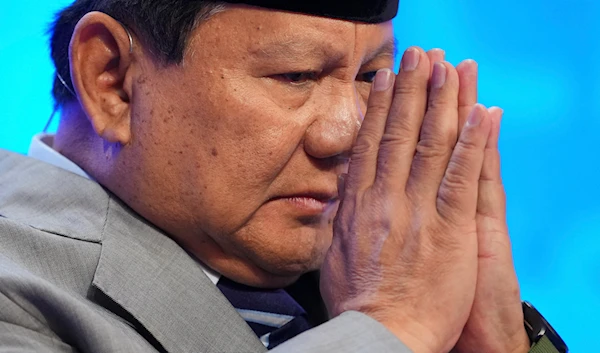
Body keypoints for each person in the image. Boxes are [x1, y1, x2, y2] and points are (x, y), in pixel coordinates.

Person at [0, 1, 563, 352]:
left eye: (370, 75)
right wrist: (389, 327)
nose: (346, 133)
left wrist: (500, 345)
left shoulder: (373, 263)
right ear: (113, 82)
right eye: (294, 74)